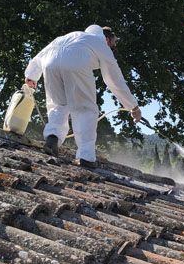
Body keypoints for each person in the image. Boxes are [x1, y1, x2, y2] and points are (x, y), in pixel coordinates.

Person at [24, 25, 142, 168]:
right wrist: (133, 106)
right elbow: (114, 79)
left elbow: (39, 57)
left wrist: (31, 76)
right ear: (106, 38)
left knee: (57, 104)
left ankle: (52, 137)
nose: (113, 46)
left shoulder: (68, 36)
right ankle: (85, 157)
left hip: (50, 64)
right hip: (75, 64)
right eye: (113, 42)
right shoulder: (100, 43)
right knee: (85, 109)